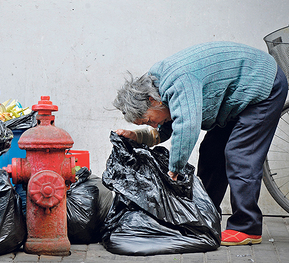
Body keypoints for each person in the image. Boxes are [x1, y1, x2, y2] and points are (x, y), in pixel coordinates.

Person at [113, 41, 288, 246]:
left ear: (153, 101)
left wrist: (174, 170)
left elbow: (187, 126)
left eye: (148, 120)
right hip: (236, 100)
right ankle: (206, 216)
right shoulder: (157, 89)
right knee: (212, 152)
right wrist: (137, 137)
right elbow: (167, 126)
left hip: (264, 85)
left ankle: (247, 226)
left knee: (240, 154)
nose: (152, 124)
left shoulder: (178, 82)